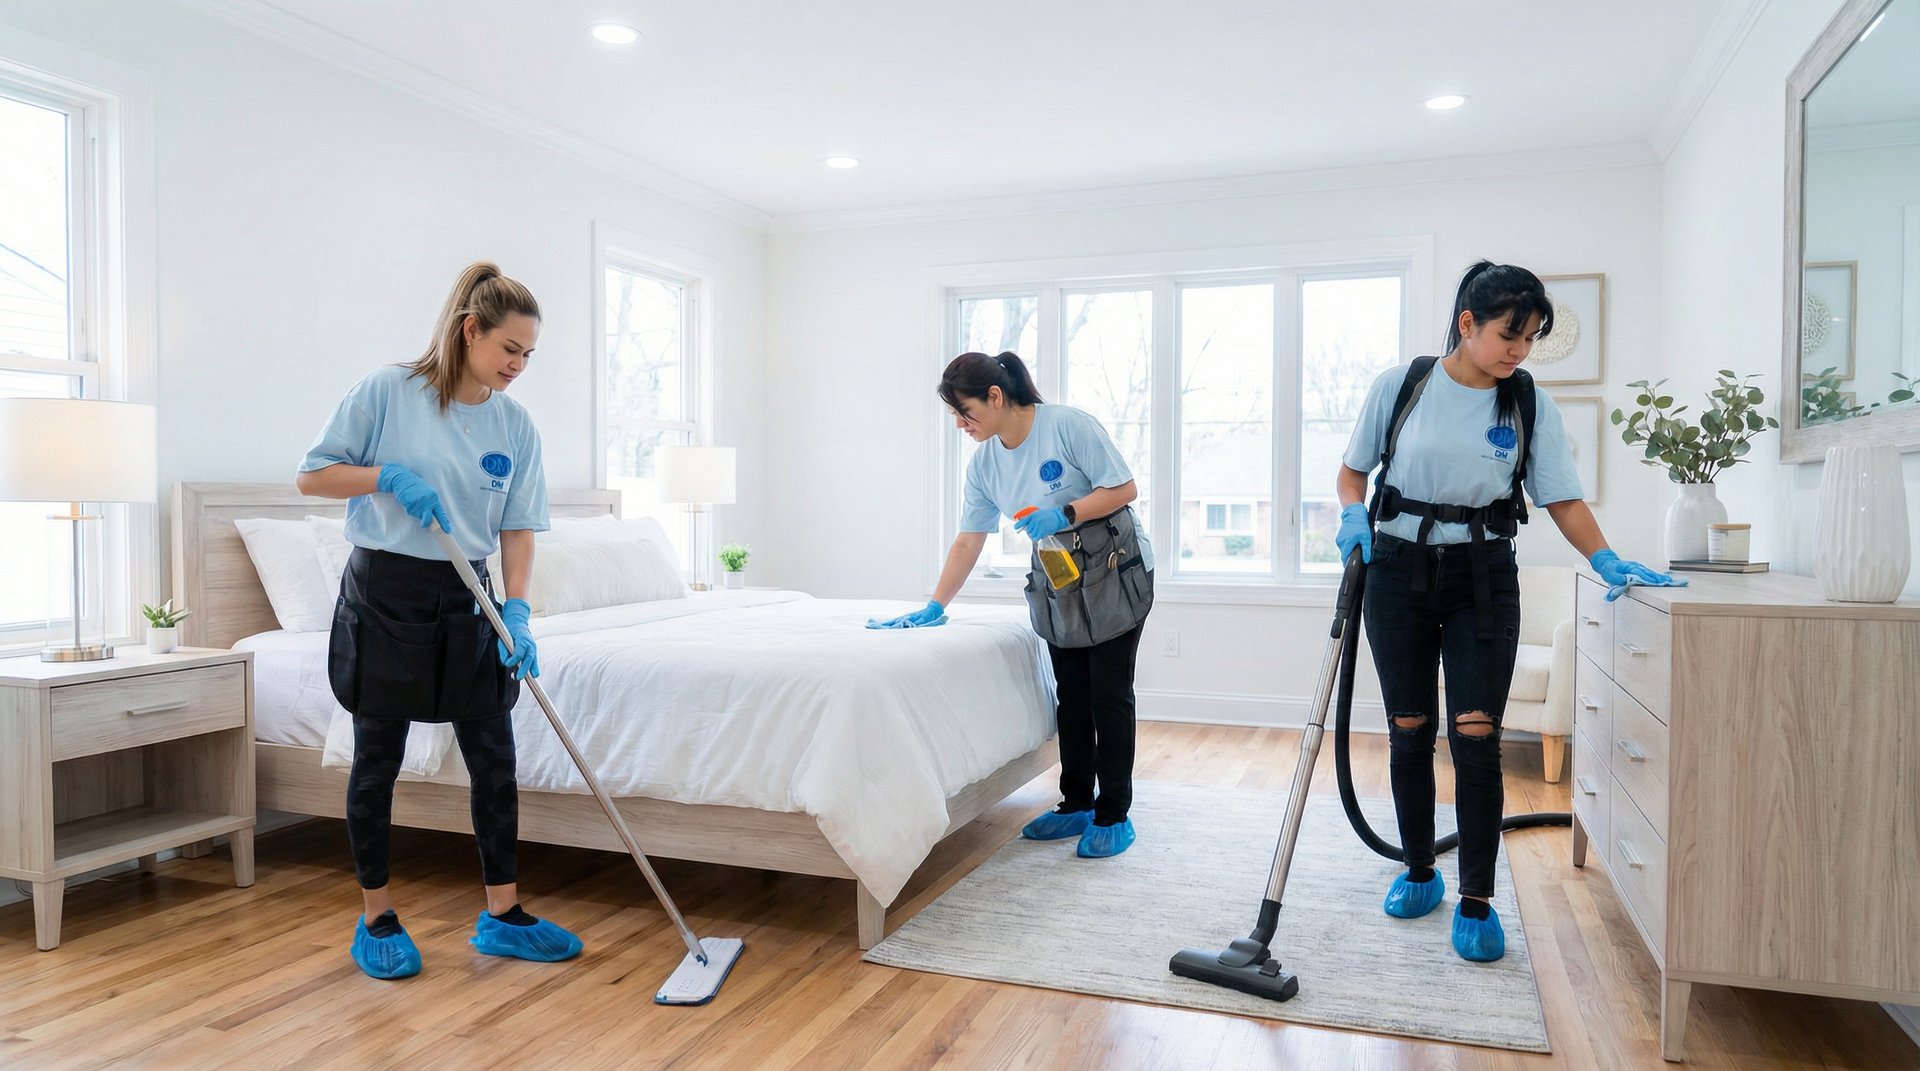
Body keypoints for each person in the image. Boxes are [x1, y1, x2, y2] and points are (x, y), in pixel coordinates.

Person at [1334, 261, 1682, 962]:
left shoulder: (1525, 402)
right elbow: (1353, 471)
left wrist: (1607, 557)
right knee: (1408, 728)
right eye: (1508, 333)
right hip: (1396, 571)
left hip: (1482, 577)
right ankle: (1420, 869)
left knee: (1476, 734)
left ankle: (1477, 898)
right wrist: (1351, 514)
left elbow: (1561, 497)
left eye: (1529, 338)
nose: (1518, 350)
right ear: (1467, 323)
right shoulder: (1402, 386)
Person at [296, 261, 582, 979]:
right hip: (384, 594)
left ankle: (504, 915)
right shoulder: (387, 393)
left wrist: (516, 610)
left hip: (469, 596)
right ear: (470, 330)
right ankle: (378, 917)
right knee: (377, 758)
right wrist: (385, 476)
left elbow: (518, 526)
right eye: (509, 348)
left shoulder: (515, 425)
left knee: (494, 757)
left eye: (528, 354)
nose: (518, 365)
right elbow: (313, 474)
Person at [870, 351, 1154, 858]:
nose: (960, 424)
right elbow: (968, 540)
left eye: (965, 412)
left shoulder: (1067, 426)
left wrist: (1063, 511)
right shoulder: (984, 464)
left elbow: (1124, 488)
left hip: (1115, 572)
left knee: (1107, 695)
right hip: (1061, 581)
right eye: (955, 416)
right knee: (1072, 696)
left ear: (996, 397)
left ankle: (1114, 814)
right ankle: (1075, 805)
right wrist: (935, 604)